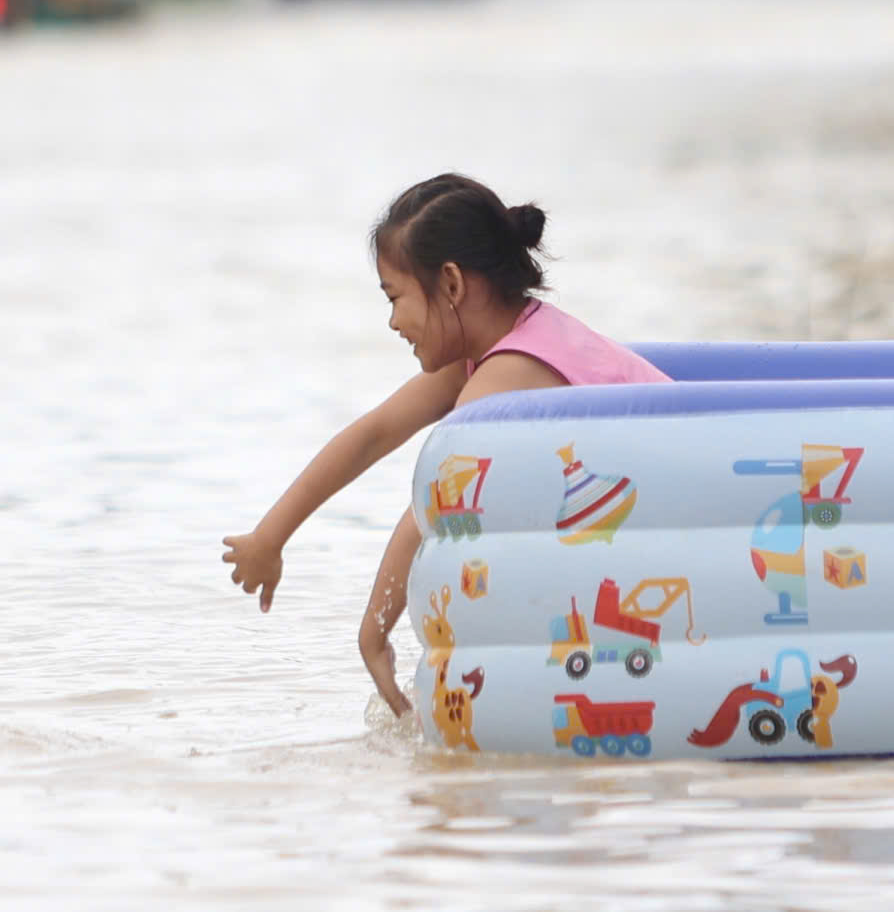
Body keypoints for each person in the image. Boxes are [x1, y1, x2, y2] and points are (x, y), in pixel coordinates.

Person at [221, 174, 668, 718]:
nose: (393, 321)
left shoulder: (508, 374)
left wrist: (375, 628)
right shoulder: (498, 350)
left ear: (452, 285)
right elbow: (373, 434)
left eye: (395, 298)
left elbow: (435, 505)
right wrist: (271, 537)